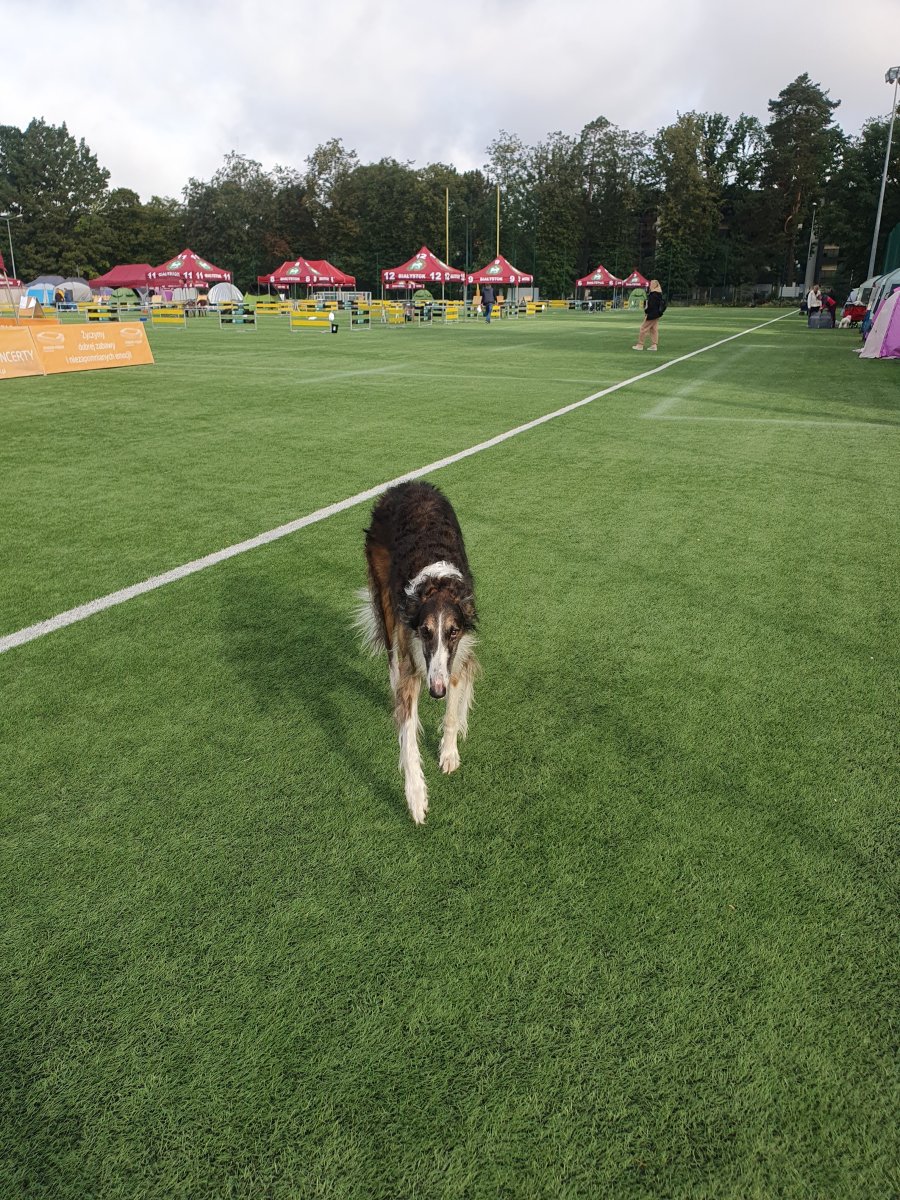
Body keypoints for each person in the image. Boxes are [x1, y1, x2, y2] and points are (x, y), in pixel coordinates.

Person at [632, 279, 666, 351]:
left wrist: (646, 311)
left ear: (654, 285)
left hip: (652, 314)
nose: (650, 286)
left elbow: (651, 306)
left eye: (651, 284)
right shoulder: (659, 294)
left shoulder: (653, 295)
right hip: (657, 314)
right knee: (654, 329)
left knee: (643, 328)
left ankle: (640, 345)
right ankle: (654, 345)